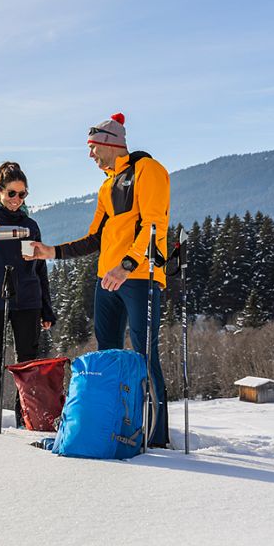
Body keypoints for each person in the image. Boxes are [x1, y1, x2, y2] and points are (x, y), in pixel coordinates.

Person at [24, 112, 171, 447]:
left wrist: (127, 266)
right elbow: (94, 238)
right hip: (107, 281)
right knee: (108, 355)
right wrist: (51, 252)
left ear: (110, 144)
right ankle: (117, 427)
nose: (90, 155)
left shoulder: (149, 171)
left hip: (139, 279)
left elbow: (154, 226)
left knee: (147, 357)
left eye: (93, 147)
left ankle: (157, 437)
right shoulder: (107, 186)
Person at [0, 161, 55, 427]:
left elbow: (39, 268)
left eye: (22, 194)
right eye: (11, 194)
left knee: (28, 360)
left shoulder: (30, 225)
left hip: (27, 300)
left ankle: (26, 416)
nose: (17, 200)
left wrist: (46, 307)